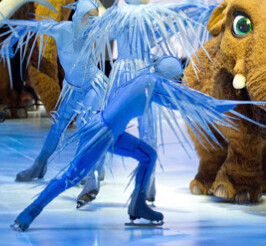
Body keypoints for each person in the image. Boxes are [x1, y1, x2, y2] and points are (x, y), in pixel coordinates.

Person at [11, 56, 247, 231]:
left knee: (148, 155)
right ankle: (29, 213)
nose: (177, 85)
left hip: (111, 134)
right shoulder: (151, 83)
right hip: (101, 134)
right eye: (176, 80)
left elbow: (180, 101)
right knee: (71, 176)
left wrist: (215, 106)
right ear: (169, 78)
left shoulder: (147, 82)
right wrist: (221, 105)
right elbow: (183, 101)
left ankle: (138, 205)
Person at [82, 0, 209, 204]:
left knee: (107, 128)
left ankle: (95, 180)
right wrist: (189, 13)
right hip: (141, 76)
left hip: (124, 74)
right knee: (146, 131)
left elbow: (141, 35)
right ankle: (145, 186)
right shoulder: (139, 14)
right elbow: (162, 24)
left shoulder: (118, 15)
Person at [0, 0, 107, 205]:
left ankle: (90, 174)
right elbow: (31, 27)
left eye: (95, 17)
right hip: (73, 88)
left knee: (86, 125)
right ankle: (39, 165)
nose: (92, 22)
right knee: (57, 126)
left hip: (93, 86)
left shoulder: (94, 31)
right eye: (88, 17)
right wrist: (10, 37)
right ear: (78, 16)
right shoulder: (62, 30)